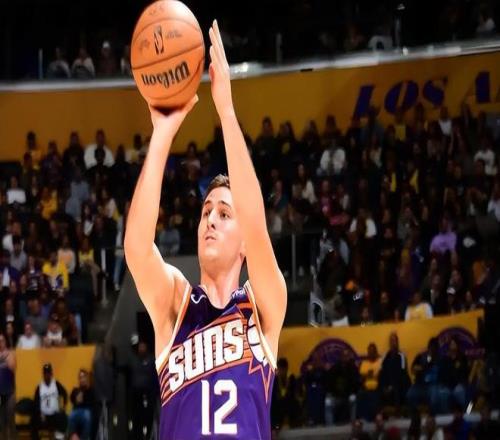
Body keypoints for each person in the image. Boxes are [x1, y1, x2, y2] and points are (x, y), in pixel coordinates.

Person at [124, 20, 286, 439]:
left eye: (224, 214)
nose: (210, 219)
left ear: (244, 243)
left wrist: (226, 112)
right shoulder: (176, 304)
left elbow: (256, 221)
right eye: (206, 212)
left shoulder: (263, 306)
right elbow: (137, 249)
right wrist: (162, 134)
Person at [32, 363, 68, 440]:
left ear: (51, 374)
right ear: (43, 374)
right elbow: (36, 402)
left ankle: (59, 438)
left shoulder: (56, 384)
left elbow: (64, 393)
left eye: (48, 373)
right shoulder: (39, 387)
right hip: (44, 416)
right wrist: (40, 412)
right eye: (45, 373)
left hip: (54, 415)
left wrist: (64, 406)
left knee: (63, 416)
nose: (47, 375)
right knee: (33, 420)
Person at [68, 369, 95, 440]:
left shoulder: (91, 390)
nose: (82, 379)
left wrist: (83, 400)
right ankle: (73, 435)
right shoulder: (75, 390)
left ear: (87, 378)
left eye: (84, 377)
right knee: (71, 415)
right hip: (77, 411)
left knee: (87, 415)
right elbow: (71, 399)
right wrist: (76, 400)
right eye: (80, 377)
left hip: (86, 411)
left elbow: (92, 403)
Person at [0, 333, 16, 439]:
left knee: (10, 419)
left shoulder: (10, 354)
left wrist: (4, 359)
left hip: (10, 392)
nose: (0, 343)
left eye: (1, 340)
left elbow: (13, 367)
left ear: (5, 342)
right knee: (1, 421)